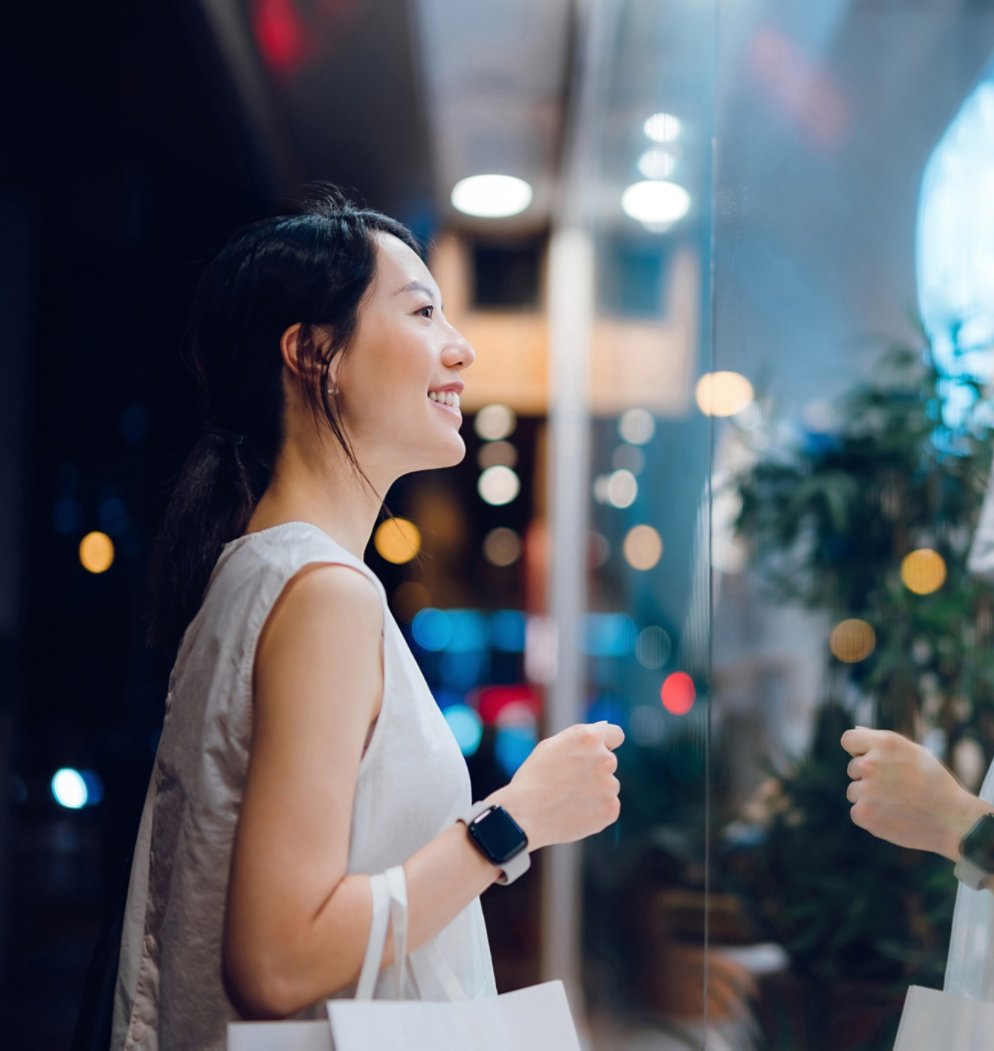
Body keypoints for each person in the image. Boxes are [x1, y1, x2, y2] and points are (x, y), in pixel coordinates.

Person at [111, 188, 624, 1050]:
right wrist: (514, 819)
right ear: (316, 355)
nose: (459, 348)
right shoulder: (322, 590)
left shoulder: (257, 572)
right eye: (423, 310)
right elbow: (275, 960)